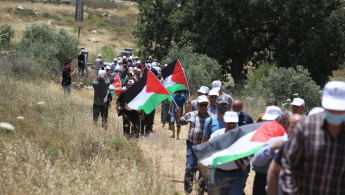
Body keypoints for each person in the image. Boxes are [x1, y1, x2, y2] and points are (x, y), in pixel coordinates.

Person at [281, 81, 345, 195]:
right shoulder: (306, 127)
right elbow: (289, 166)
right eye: (331, 109)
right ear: (322, 101)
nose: (335, 113)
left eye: (340, 109)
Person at [209, 111, 249, 195]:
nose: (231, 125)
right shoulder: (216, 136)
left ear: (237, 122)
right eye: (229, 123)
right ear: (224, 122)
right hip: (219, 173)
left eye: (233, 123)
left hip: (237, 174)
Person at [180, 95, 213, 194]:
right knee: (189, 167)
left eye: (205, 105)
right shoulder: (191, 114)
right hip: (192, 146)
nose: (203, 107)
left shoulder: (211, 117)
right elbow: (181, 122)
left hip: (205, 148)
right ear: (197, 105)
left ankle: (200, 191)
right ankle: (188, 190)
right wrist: (180, 114)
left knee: (203, 172)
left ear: (207, 105)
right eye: (201, 105)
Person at [267, 114, 303, 195]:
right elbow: (273, 171)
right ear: (287, 128)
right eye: (294, 127)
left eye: (300, 127)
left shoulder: (313, 147)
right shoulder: (284, 146)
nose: (297, 130)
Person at [252, 106, 285, 195]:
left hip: (278, 178)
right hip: (260, 175)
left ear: (280, 120)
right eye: (267, 120)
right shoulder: (257, 134)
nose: (269, 123)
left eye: (272, 120)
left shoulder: (284, 136)